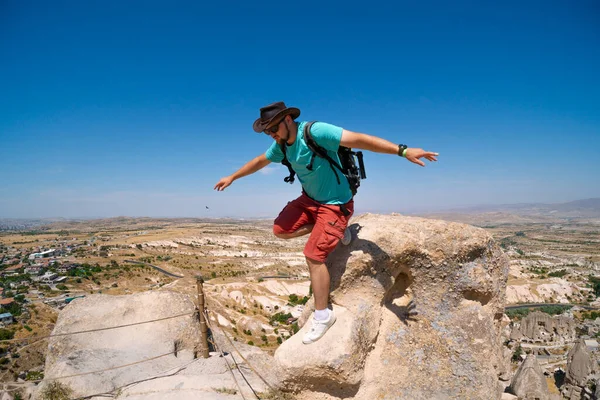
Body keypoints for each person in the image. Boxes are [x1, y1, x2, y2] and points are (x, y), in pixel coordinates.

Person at [214, 101, 438, 344]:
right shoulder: (281, 144)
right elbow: (260, 160)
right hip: (309, 201)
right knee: (280, 229)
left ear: (287, 120)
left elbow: (360, 139)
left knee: (313, 255)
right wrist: (233, 177)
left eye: (272, 129)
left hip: (335, 203)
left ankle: (323, 316)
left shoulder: (315, 132)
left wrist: (402, 151)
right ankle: (335, 231)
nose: (271, 135)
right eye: (267, 131)